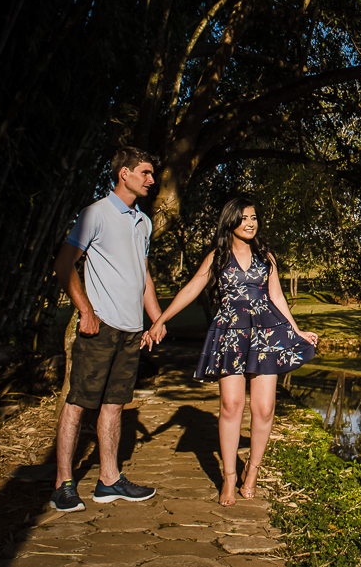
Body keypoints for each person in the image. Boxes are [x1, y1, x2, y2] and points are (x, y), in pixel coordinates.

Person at [142, 197, 318, 505]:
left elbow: (276, 297)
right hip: (230, 336)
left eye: (253, 217)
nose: (250, 223)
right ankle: (229, 478)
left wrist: (296, 330)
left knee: (264, 408)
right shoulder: (217, 257)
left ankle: (252, 471)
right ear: (231, 222)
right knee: (231, 405)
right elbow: (192, 288)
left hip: (265, 334)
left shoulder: (266, 257)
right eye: (244, 218)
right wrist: (160, 320)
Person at [50, 146, 164, 513]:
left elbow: (142, 274)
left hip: (132, 332)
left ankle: (109, 481)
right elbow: (64, 264)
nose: (151, 179)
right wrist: (84, 309)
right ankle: (63, 484)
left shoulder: (143, 221)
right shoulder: (95, 214)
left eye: (152, 173)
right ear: (124, 174)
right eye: (145, 172)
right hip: (100, 329)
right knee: (78, 404)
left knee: (114, 406)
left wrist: (156, 319)